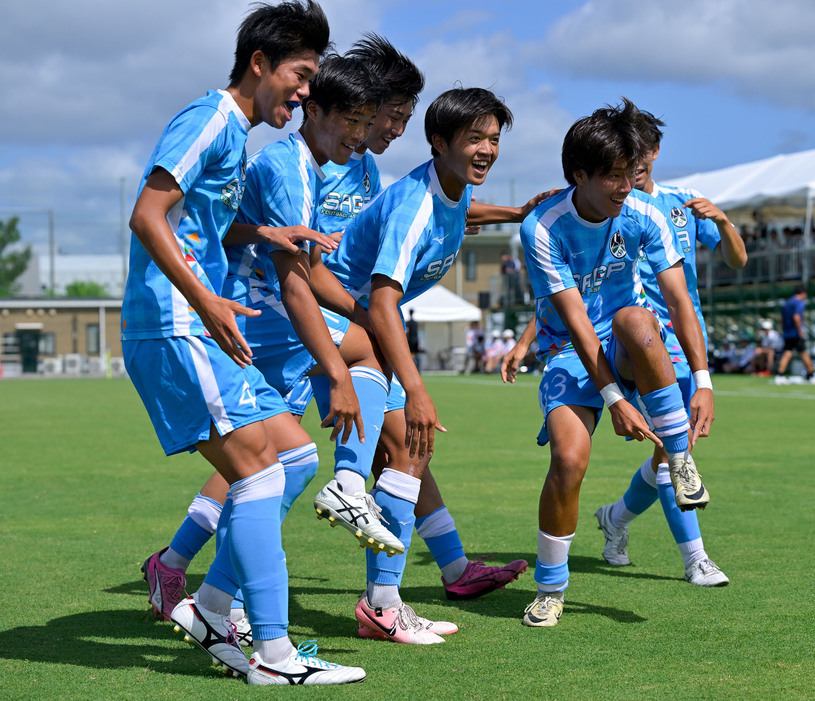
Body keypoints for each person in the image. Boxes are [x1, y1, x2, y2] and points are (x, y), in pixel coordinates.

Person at [125, 1, 364, 685]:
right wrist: (206, 299)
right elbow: (148, 213)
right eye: (301, 73)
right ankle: (274, 654)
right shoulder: (212, 119)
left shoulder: (237, 136)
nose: (307, 90)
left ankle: (209, 606)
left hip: (197, 322)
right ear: (259, 64)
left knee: (293, 456)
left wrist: (265, 235)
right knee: (260, 470)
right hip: (175, 325)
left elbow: (203, 223)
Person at [314, 37, 531, 609]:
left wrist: (515, 211)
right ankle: (380, 594)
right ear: (440, 143)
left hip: (349, 324)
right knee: (272, 463)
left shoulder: (449, 188)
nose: (486, 149)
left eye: (493, 139)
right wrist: (415, 387)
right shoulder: (412, 201)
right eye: (474, 139)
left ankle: (445, 571)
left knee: (407, 449)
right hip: (326, 321)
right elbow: (383, 302)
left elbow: (458, 209)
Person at [509, 99, 714, 628]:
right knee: (569, 461)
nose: (626, 187)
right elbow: (576, 323)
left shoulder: (645, 213)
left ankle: (678, 458)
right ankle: (551, 589)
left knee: (638, 319)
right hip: (569, 353)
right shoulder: (543, 227)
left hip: (631, 341)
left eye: (630, 174)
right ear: (579, 175)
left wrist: (705, 381)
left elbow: (679, 302)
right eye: (614, 177)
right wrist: (614, 399)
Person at [582, 108, 746, 588]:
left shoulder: (682, 205)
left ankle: (615, 518)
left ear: (652, 153)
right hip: (639, 341)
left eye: (639, 156)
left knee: (669, 453)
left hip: (686, 337)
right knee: (677, 450)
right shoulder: (617, 208)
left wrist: (725, 220)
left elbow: (738, 260)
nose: (630, 168)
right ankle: (695, 558)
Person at [775, 284, 815, 385]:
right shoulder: (799, 302)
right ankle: (812, 375)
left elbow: (781, 318)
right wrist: (800, 331)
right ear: (804, 293)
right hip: (795, 333)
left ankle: (779, 375)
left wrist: (783, 329)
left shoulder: (787, 302)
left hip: (787, 332)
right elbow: (796, 317)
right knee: (804, 353)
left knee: (787, 353)